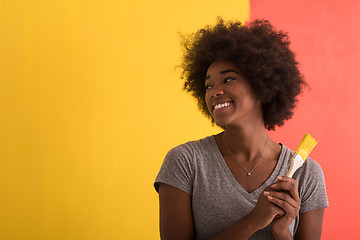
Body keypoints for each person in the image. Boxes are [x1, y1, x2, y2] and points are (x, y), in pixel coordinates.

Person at [154, 17, 328, 240]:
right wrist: (254, 221)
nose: (214, 91)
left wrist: (282, 232)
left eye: (228, 80)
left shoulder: (307, 174)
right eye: (208, 85)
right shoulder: (186, 162)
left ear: (261, 84)